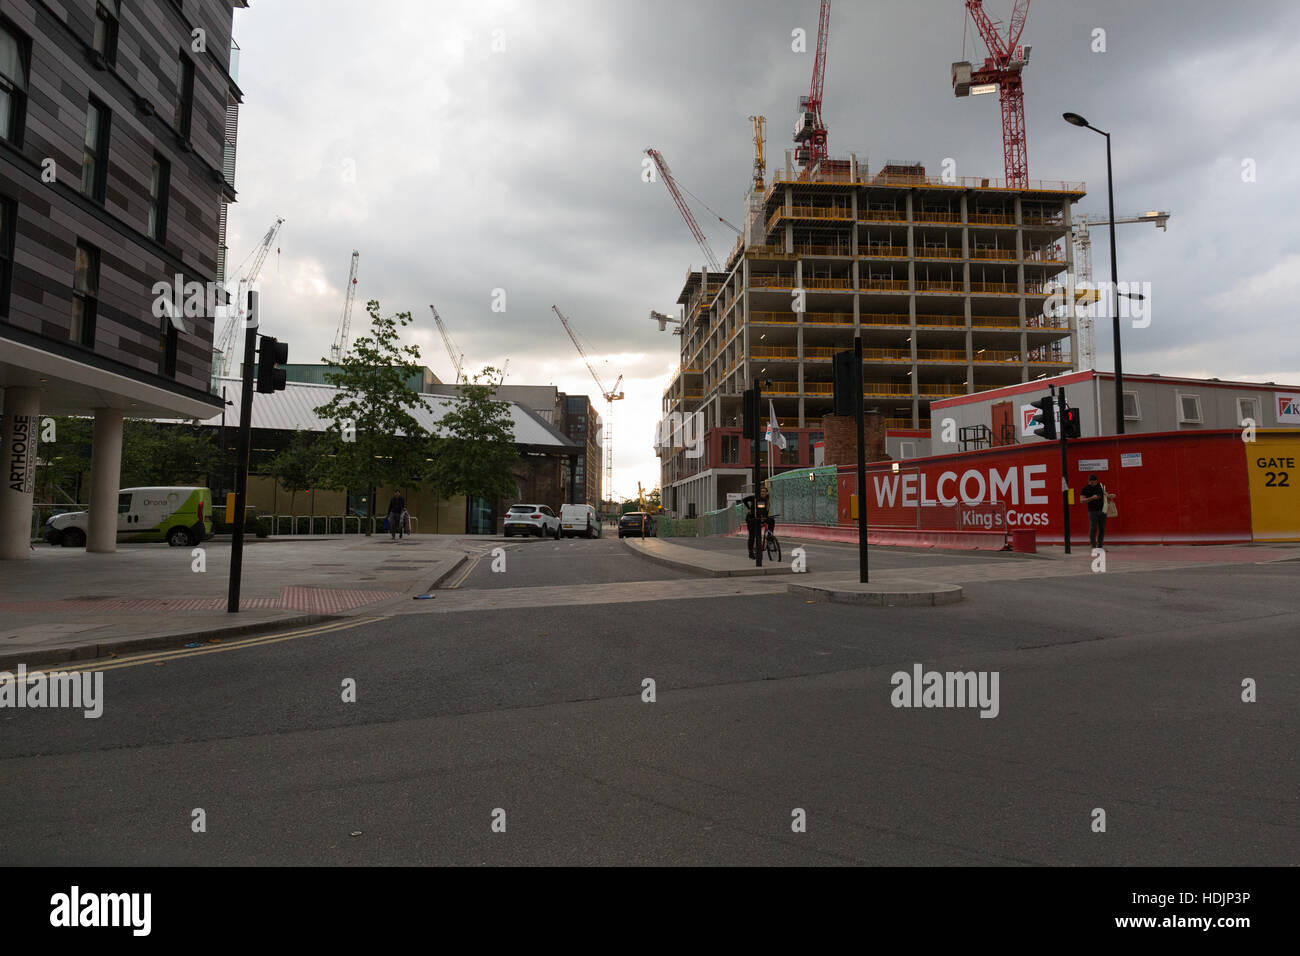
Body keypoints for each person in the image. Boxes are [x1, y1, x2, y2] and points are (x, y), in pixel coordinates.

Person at [1080, 474, 1113, 549]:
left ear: (1097, 481)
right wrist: (1092, 498)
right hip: (1092, 511)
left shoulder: (1100, 486)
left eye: (1093, 482)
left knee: (1102, 528)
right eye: (1090, 482)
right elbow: (1082, 500)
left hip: (1103, 510)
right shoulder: (1085, 489)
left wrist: (1110, 496)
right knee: (1093, 528)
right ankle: (1093, 545)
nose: (1091, 484)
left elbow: (1105, 494)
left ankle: (1100, 545)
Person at [741, 482, 772, 558]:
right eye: (761, 491)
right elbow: (744, 500)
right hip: (751, 518)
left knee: (772, 520)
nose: (762, 493)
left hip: (761, 518)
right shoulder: (755, 498)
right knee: (752, 535)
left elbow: (766, 510)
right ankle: (751, 552)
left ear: (767, 493)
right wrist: (749, 508)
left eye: (764, 491)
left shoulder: (767, 500)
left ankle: (770, 536)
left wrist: (766, 517)